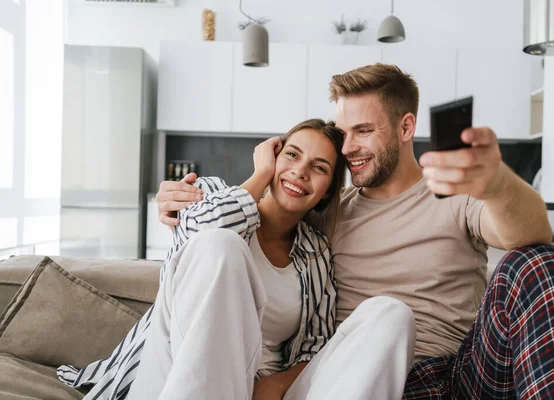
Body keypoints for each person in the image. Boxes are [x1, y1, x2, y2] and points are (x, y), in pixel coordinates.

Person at [158, 63, 554, 399]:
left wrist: (498, 183)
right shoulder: (326, 212)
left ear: (406, 127)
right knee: (386, 319)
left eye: (364, 131)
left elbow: (531, 231)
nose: (347, 148)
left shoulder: (452, 194)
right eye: (342, 132)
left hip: (462, 370)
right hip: (362, 377)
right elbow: (257, 220)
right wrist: (180, 199)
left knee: (538, 259)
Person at [56, 119, 417, 400]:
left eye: (319, 168)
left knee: (390, 313)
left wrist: (276, 384)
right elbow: (199, 230)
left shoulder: (317, 255)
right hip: (173, 372)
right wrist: (260, 174)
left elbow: (315, 346)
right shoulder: (214, 194)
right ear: (273, 156)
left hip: (262, 388)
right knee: (222, 246)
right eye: (291, 155)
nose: (301, 171)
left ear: (326, 192)